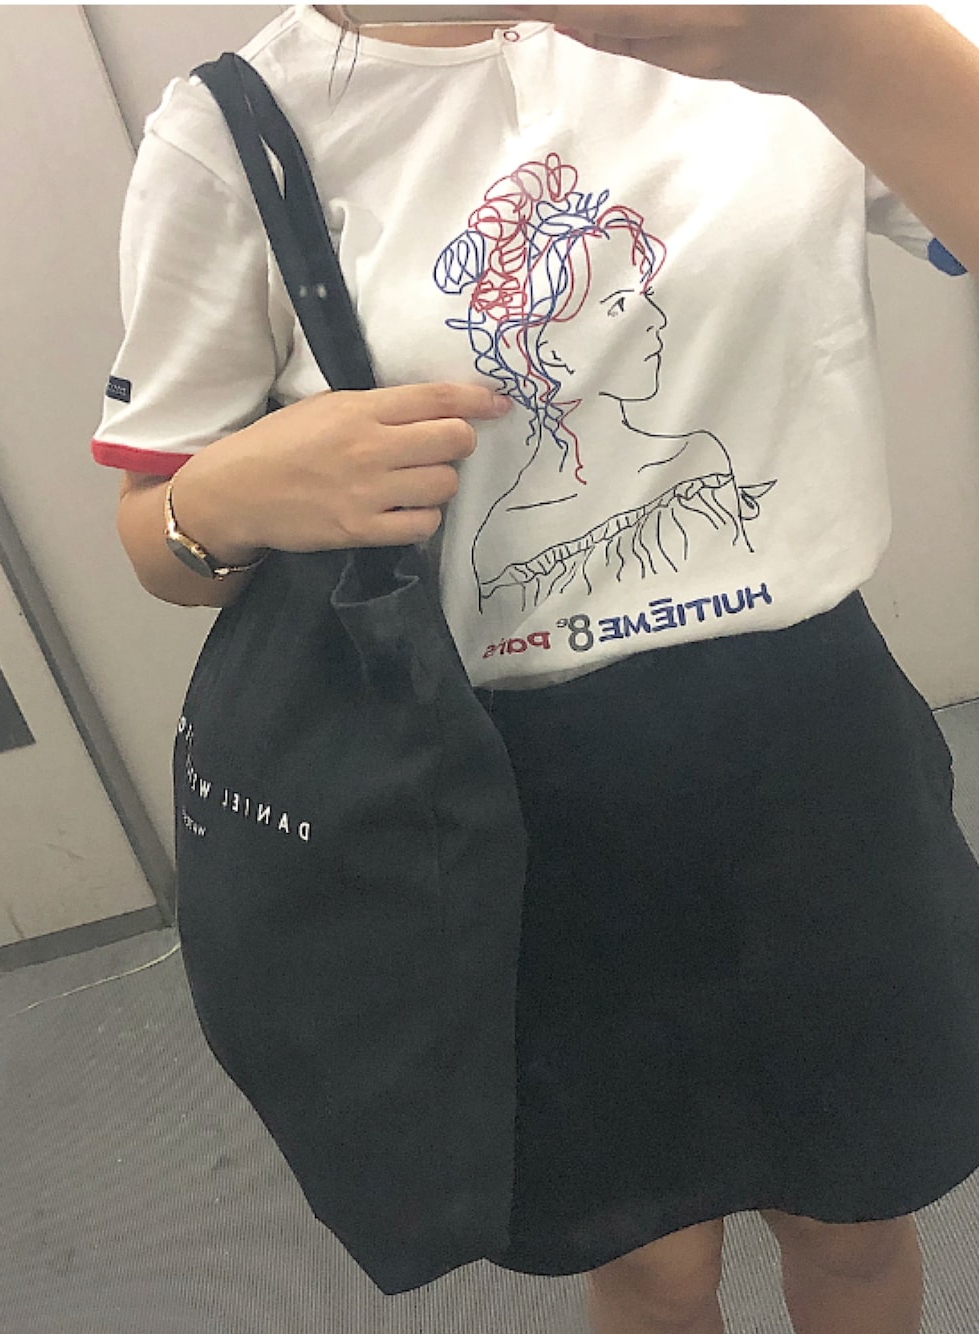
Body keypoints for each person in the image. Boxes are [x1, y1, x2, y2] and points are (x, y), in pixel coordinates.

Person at [92, 6, 979, 1331]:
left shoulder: (785, 24)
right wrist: (226, 496)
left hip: (814, 746)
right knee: (650, 1260)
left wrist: (834, 46)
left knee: (857, 1215)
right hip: (518, 795)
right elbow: (159, 538)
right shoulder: (238, 132)